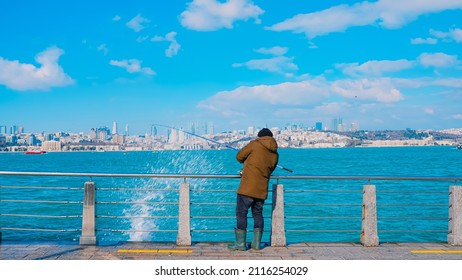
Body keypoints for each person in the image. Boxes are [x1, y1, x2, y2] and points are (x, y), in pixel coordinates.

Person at [228, 128, 279, 251]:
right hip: (261, 189)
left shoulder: (254, 144)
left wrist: (247, 163)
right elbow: (270, 170)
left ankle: (240, 244)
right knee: (258, 214)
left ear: (259, 136)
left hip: (247, 187)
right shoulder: (275, 153)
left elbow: (239, 156)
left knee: (241, 213)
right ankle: (256, 244)